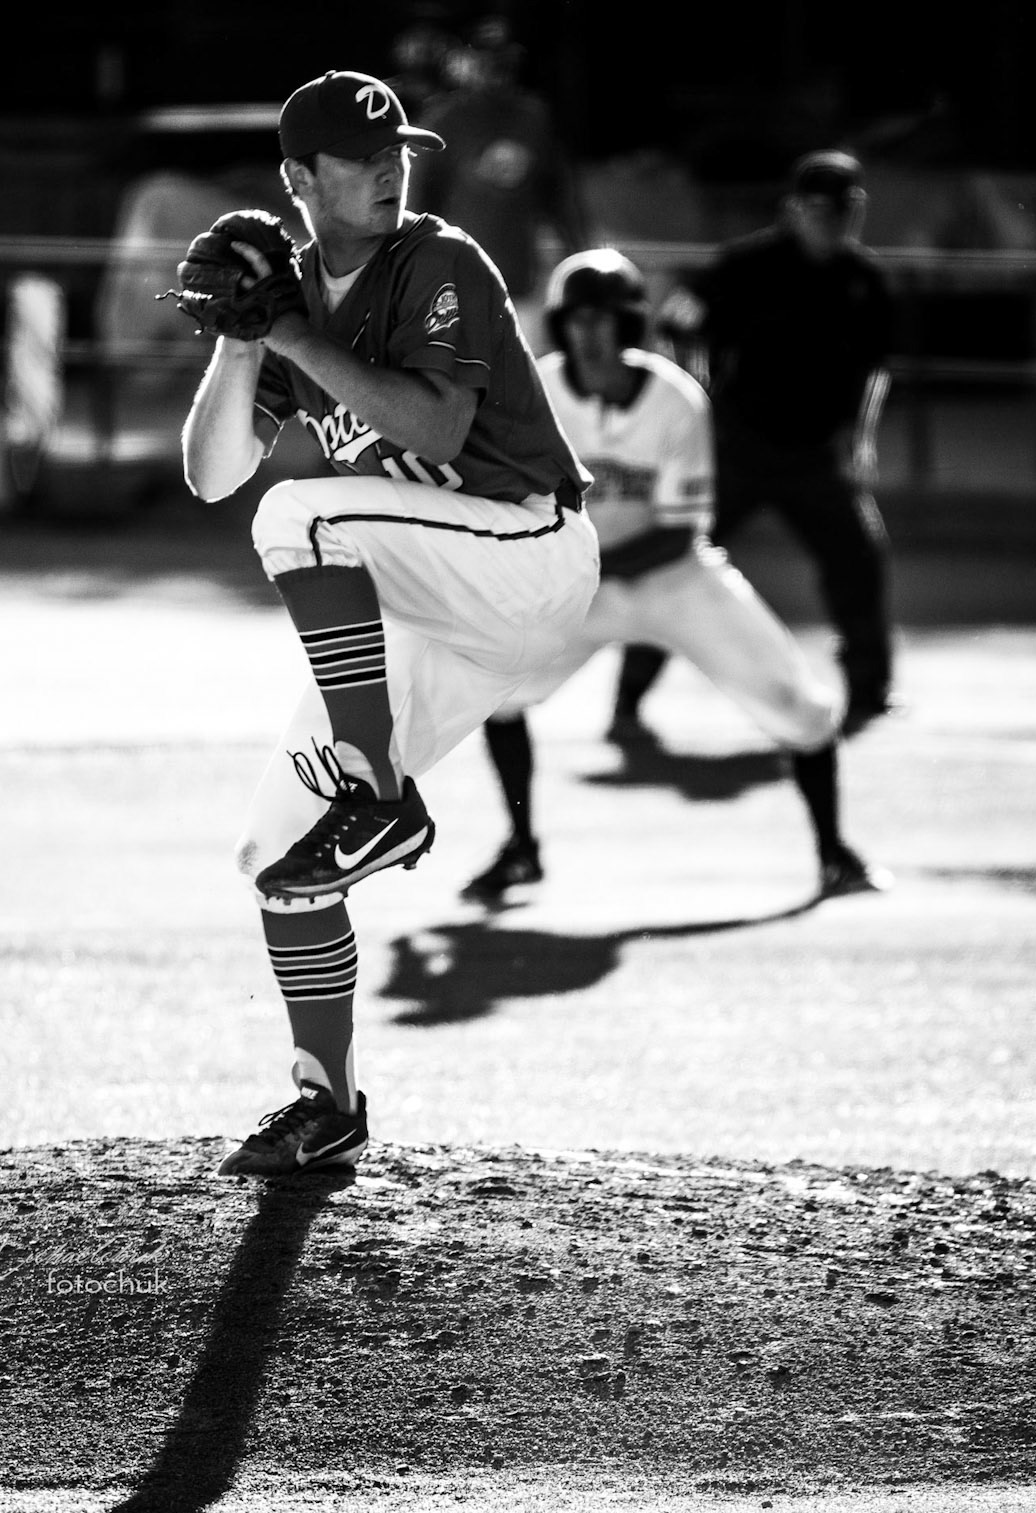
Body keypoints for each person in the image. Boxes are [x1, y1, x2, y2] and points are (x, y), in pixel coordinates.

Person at [180, 68, 599, 1176]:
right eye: (363, 156)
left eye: (397, 149)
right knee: (278, 857)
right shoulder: (299, 298)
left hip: (526, 553)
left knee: (301, 516)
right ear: (297, 179)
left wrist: (298, 341)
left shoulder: (439, 261)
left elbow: (436, 419)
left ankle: (378, 797)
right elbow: (209, 473)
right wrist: (239, 341)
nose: (389, 167)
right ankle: (329, 1104)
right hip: (436, 608)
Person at [464, 247, 889, 903]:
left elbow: (677, 531)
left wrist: (574, 567)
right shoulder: (533, 391)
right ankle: (521, 849)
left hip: (673, 579)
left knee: (801, 709)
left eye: (606, 318)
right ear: (560, 323)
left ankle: (836, 856)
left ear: (631, 325)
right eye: (578, 318)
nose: (591, 333)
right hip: (576, 587)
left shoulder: (674, 398)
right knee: (497, 695)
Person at [611, 150, 895, 742]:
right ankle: (628, 701)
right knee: (673, 562)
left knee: (860, 560)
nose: (829, 221)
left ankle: (870, 691)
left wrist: (861, 440)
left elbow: (875, 370)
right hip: (734, 450)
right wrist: (692, 411)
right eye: (817, 209)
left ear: (857, 211)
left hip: (815, 453)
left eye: (840, 210)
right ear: (794, 209)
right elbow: (675, 327)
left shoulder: (865, 282)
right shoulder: (746, 266)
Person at [408, 16, 585, 307]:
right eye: (488, 61)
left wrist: (578, 254)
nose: (498, 71)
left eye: (505, 62)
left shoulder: (533, 116)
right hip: (455, 283)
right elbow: (417, 202)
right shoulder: (443, 118)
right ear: (467, 62)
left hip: (518, 282)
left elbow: (560, 196)